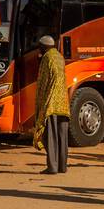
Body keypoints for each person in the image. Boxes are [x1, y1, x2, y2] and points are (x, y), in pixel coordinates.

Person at [33, 35, 70, 174]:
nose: (39, 49)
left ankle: (52, 167)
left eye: (40, 46)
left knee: (51, 136)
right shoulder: (59, 57)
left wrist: (40, 106)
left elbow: (43, 83)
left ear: (44, 47)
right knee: (62, 137)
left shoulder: (47, 57)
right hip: (63, 103)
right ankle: (62, 166)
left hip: (51, 103)